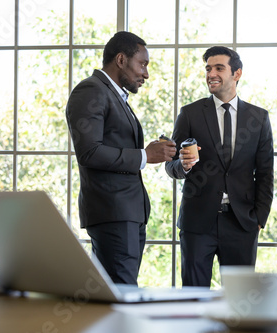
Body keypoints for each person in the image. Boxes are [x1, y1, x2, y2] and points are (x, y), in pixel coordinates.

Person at [66, 31, 176, 285]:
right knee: (121, 291)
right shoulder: (91, 91)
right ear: (121, 60)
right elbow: (89, 152)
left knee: (119, 289)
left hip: (127, 213)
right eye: (143, 64)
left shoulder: (114, 95)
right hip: (112, 212)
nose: (146, 74)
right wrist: (144, 155)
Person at [165, 46, 274, 287]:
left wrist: (259, 217)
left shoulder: (259, 118)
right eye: (208, 68)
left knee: (239, 300)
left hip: (241, 223)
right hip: (197, 222)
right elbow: (171, 165)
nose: (211, 74)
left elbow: (266, 173)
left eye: (218, 68)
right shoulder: (190, 114)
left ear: (237, 74)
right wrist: (183, 165)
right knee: (193, 297)